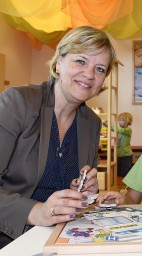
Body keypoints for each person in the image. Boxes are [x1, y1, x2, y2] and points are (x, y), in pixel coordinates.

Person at [0, 26, 117, 248]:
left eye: (100, 69)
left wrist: (84, 191)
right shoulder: (17, 102)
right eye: (81, 61)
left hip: (60, 237)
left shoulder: (92, 123)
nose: (90, 74)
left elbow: (76, 193)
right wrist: (37, 212)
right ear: (58, 62)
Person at [115, 112, 133, 177]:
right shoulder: (119, 129)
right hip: (119, 154)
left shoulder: (128, 130)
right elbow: (114, 129)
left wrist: (111, 125)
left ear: (127, 121)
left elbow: (120, 130)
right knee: (118, 173)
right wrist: (107, 125)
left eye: (121, 120)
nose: (119, 122)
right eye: (119, 120)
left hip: (126, 155)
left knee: (125, 173)